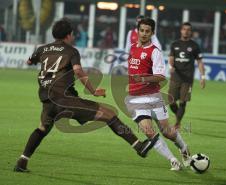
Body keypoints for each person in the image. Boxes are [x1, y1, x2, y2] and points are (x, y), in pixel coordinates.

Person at [13, 18, 159, 172]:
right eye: (73, 34)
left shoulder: (42, 49)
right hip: (65, 99)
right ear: (69, 35)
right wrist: (93, 91)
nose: (73, 36)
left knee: (42, 129)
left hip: (47, 100)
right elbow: (77, 70)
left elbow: (29, 61)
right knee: (109, 114)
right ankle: (139, 147)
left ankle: (22, 161)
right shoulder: (71, 51)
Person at [125, 18, 191, 170]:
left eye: (147, 31)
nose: (144, 34)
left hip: (153, 97)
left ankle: (184, 148)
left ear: (152, 33)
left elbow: (161, 77)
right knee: (149, 132)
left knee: (167, 132)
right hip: (135, 98)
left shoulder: (155, 51)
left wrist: (142, 78)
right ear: (138, 31)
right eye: (141, 30)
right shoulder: (132, 48)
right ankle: (172, 160)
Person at [168, 22, 205, 129]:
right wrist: (171, 67)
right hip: (175, 77)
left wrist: (202, 77)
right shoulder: (174, 44)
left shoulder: (194, 46)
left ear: (191, 32)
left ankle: (177, 123)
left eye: (188, 30)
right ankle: (178, 114)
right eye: (184, 29)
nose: (186, 31)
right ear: (181, 30)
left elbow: (200, 62)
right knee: (171, 101)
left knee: (183, 102)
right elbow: (171, 58)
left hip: (187, 79)